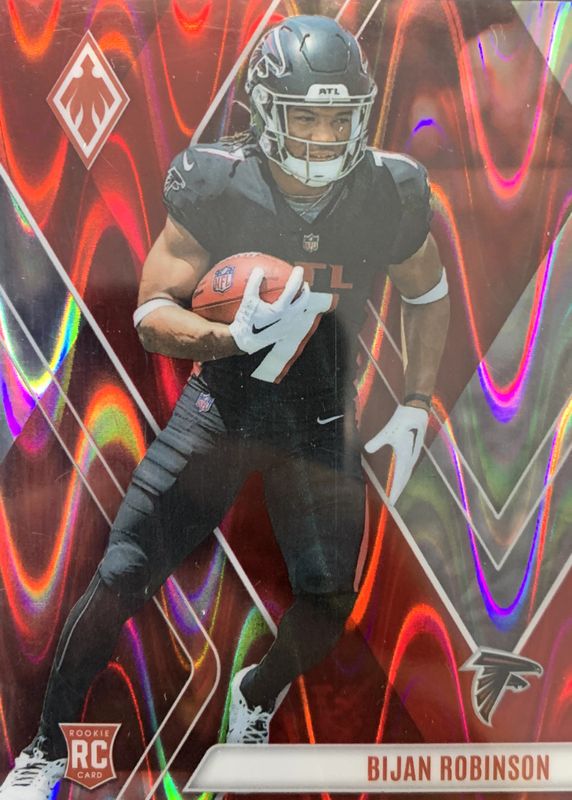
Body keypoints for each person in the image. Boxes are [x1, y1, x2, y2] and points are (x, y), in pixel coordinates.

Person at [0, 14, 450, 800]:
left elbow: (428, 290)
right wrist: (227, 334)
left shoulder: (388, 192)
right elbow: (151, 311)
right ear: (266, 111)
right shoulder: (217, 182)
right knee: (121, 574)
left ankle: (257, 691)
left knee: (329, 603)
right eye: (304, 116)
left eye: (337, 118)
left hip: (320, 420)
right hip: (224, 407)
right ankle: (45, 748)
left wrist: (415, 400)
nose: (322, 136)